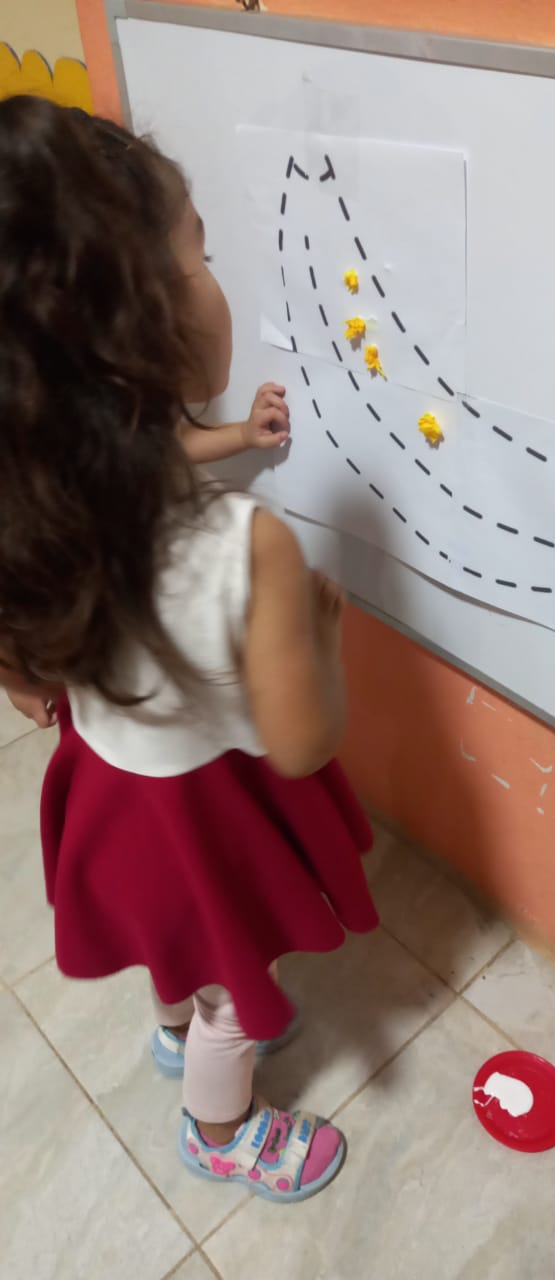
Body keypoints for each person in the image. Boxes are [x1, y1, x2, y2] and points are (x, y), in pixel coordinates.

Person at [0, 95, 378, 1202]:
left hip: (111, 792)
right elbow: (302, 743)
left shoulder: (40, 495)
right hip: (204, 813)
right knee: (233, 992)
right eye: (199, 253)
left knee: (176, 944)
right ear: (144, 325)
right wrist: (320, 637)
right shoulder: (251, 549)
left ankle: (173, 1024)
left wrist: (233, 438)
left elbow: (158, 458)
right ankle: (220, 1129)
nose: (216, 274)